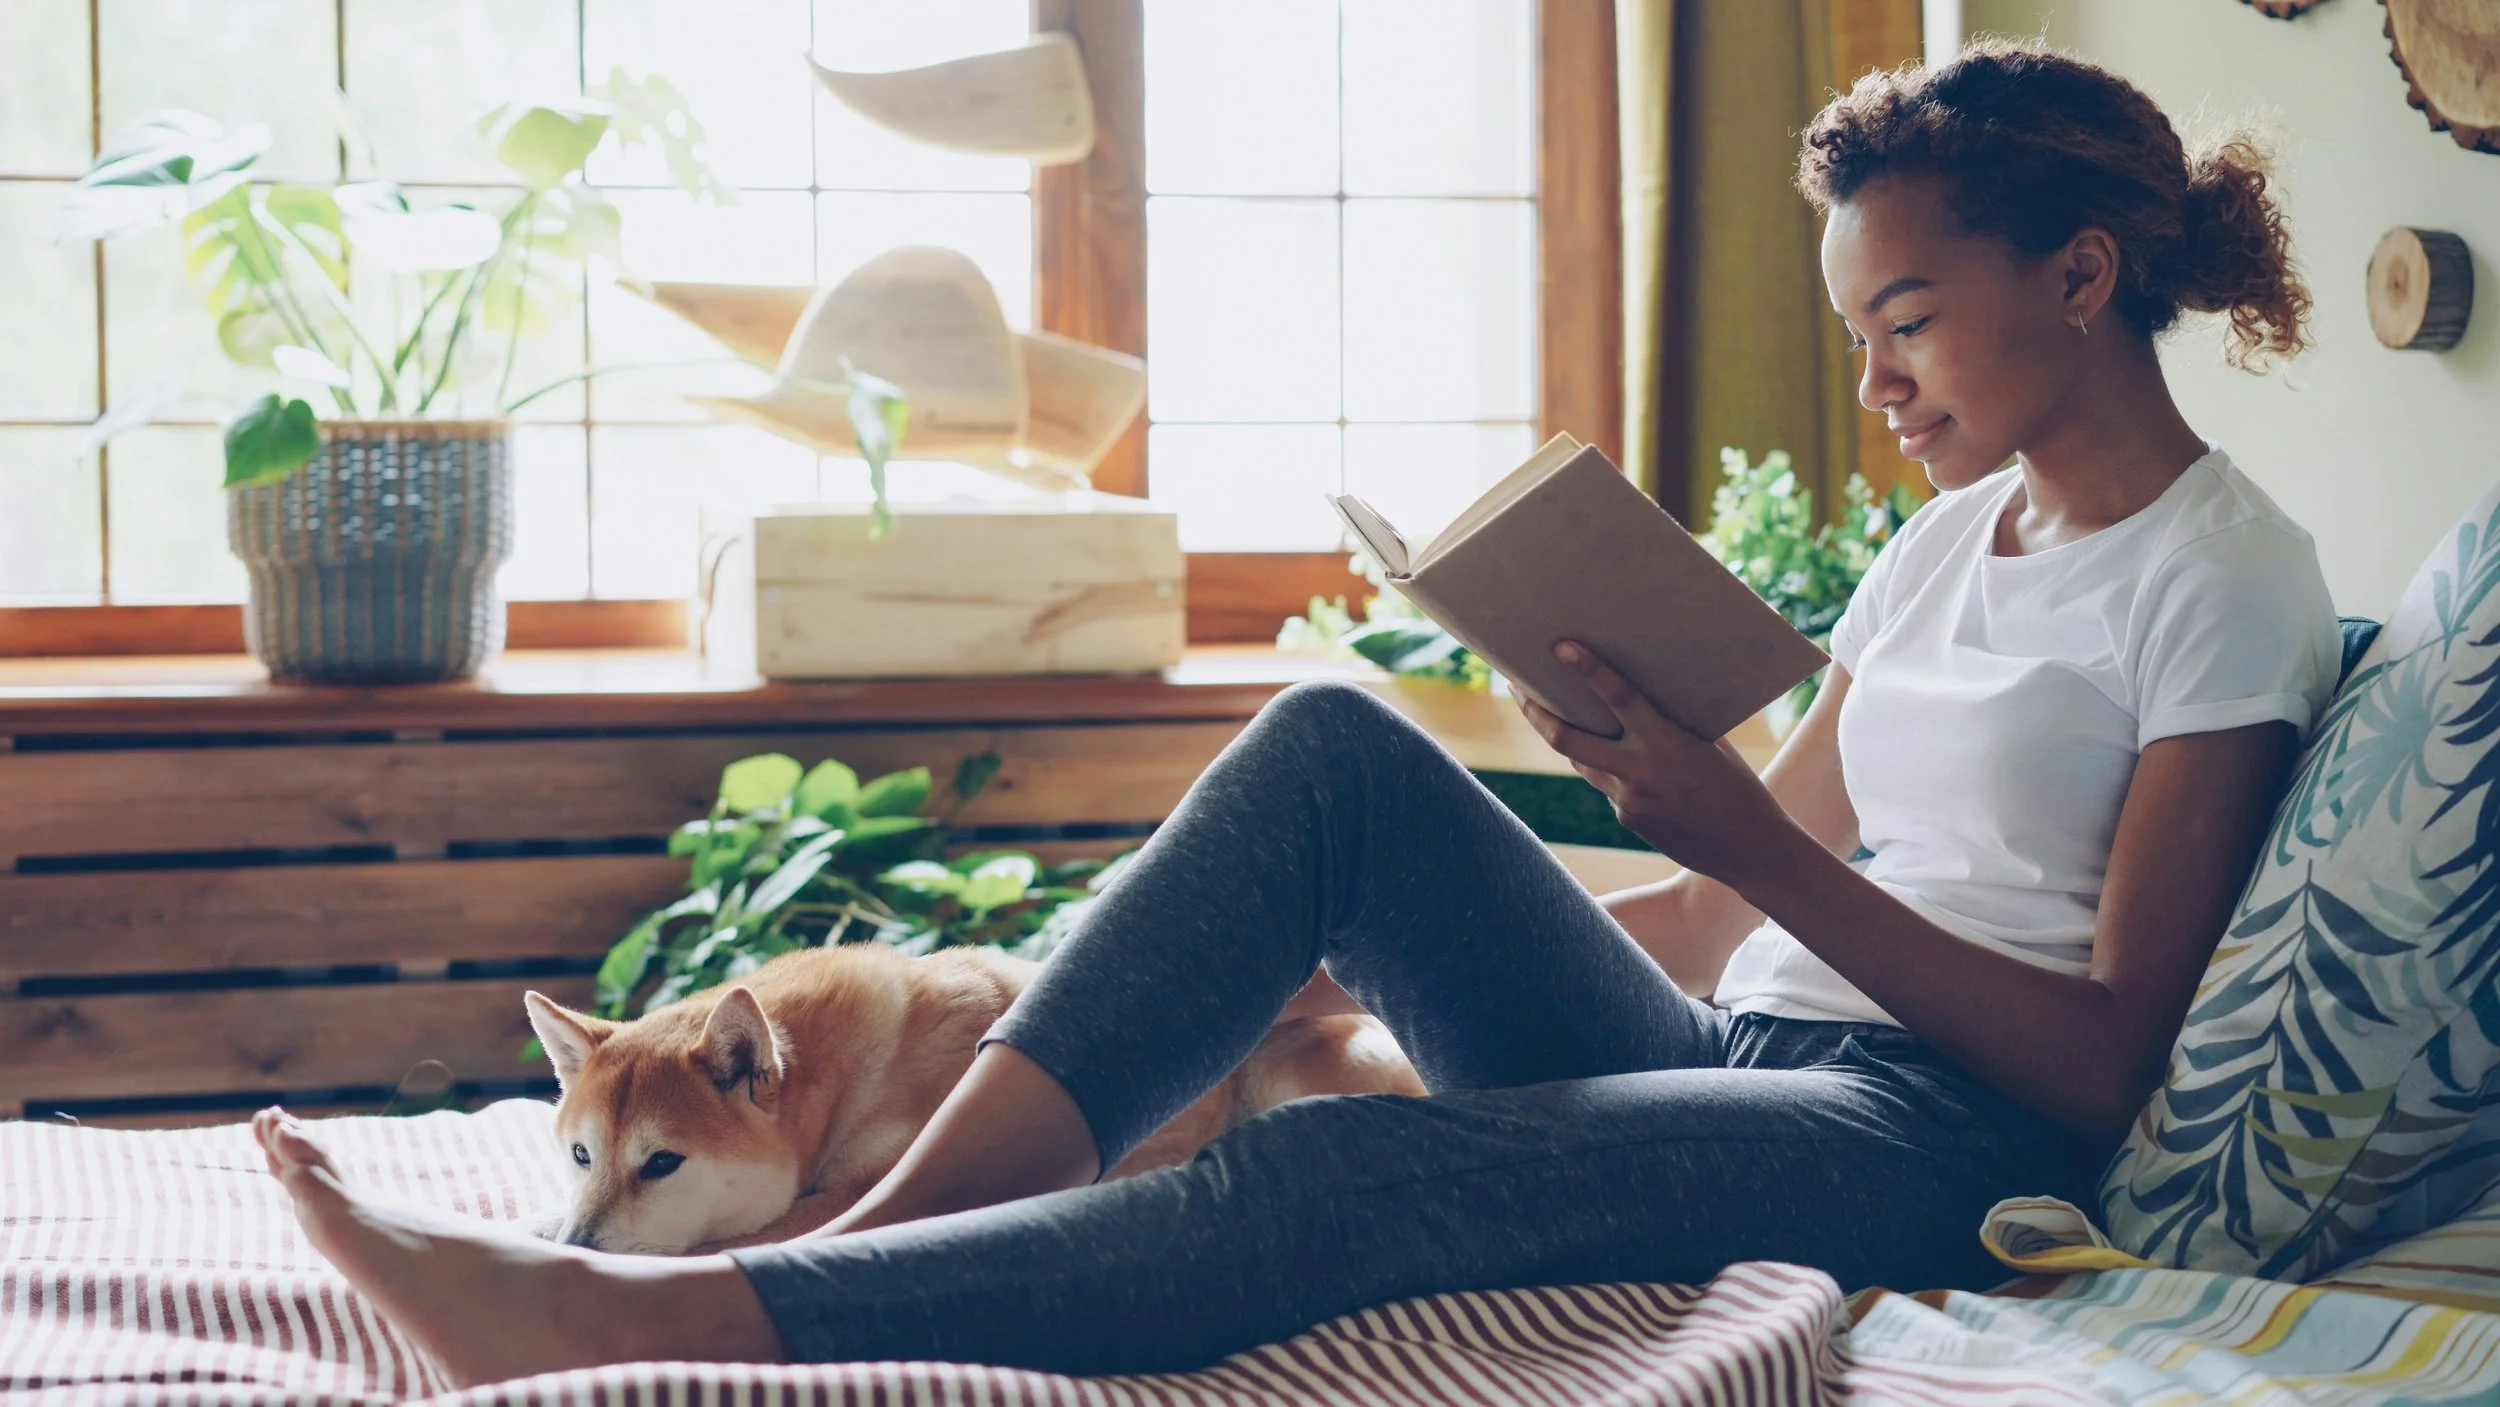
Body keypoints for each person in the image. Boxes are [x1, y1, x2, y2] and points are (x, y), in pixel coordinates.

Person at [252, 39, 2342, 1388]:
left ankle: (675, 1316)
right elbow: (1716, 922)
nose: (1876, 383)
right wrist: (1440, 909)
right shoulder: (1938, 547)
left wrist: (1752, 849)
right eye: (1853, 331)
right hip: (1741, 1044)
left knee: (1332, 1192)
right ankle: (863, 1243)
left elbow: (2099, 1062)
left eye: (1901, 321)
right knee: (1333, 757)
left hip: (1940, 1144)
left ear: (2077, 278)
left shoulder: (2221, 575)